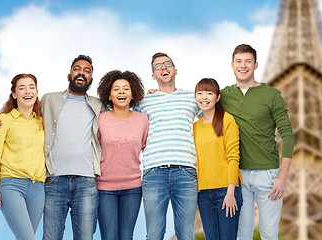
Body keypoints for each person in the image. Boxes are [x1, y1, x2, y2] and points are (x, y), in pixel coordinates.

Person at [0, 55, 104, 240]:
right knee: (46, 236)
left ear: (91, 78)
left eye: (87, 71)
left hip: (81, 182)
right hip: (52, 180)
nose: (81, 73)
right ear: (68, 75)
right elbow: (20, 112)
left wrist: (149, 97)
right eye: (77, 69)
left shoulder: (98, 105)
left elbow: (121, 112)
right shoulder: (49, 100)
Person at [219, 44, 295, 240]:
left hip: (268, 176)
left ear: (255, 65)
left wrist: (283, 177)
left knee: (269, 235)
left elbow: (288, 134)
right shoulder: (224, 95)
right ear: (232, 65)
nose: (243, 65)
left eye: (248, 61)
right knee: (241, 235)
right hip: (238, 176)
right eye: (239, 61)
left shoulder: (271, 95)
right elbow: (202, 104)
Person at [136, 52, 200, 240]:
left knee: (186, 235)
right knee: (154, 234)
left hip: (186, 171)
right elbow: (129, 125)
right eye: (158, 66)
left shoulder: (193, 97)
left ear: (175, 70)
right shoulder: (143, 102)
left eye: (167, 64)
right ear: (153, 75)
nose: (163, 67)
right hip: (154, 172)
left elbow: (211, 122)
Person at [0, 73, 46, 240]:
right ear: (14, 94)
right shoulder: (3, 120)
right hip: (11, 185)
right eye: (22, 88)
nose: (27, 91)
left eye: (31, 87)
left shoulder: (43, 121)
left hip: (38, 187)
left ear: (36, 91)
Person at [96, 70, 149, 240]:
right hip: (104, 188)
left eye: (126, 88)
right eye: (116, 89)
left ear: (133, 94)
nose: (121, 92)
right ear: (109, 96)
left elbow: (144, 146)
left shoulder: (142, 120)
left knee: (126, 236)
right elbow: (95, 148)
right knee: (109, 236)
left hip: (133, 188)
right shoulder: (100, 119)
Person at [193, 78, 242, 240]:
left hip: (226, 190)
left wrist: (230, 192)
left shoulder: (227, 120)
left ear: (217, 97)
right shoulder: (195, 127)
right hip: (204, 194)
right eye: (199, 93)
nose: (204, 97)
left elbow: (233, 157)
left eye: (209, 93)